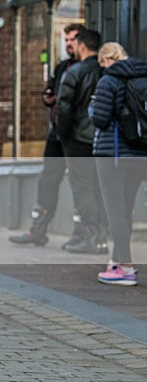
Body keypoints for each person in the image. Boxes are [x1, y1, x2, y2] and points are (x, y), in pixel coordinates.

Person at [10, 23, 84, 247]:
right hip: (56, 133)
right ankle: (38, 229)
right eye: (67, 40)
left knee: (81, 183)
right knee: (48, 180)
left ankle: (83, 232)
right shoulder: (62, 66)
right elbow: (50, 92)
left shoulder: (88, 68)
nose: (69, 43)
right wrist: (48, 97)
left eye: (73, 39)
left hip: (75, 134)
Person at [88, 42, 147, 285]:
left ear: (106, 60)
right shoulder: (143, 77)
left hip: (112, 155)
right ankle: (116, 261)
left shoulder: (108, 80)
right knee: (125, 209)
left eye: (102, 64)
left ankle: (125, 268)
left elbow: (100, 119)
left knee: (114, 210)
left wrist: (92, 107)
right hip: (139, 153)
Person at [56, 28, 108, 254]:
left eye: (75, 44)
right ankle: (100, 238)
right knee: (99, 189)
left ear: (83, 46)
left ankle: (91, 238)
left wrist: (62, 134)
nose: (73, 48)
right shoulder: (107, 72)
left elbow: (64, 109)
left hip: (77, 139)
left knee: (83, 189)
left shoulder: (74, 72)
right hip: (102, 139)